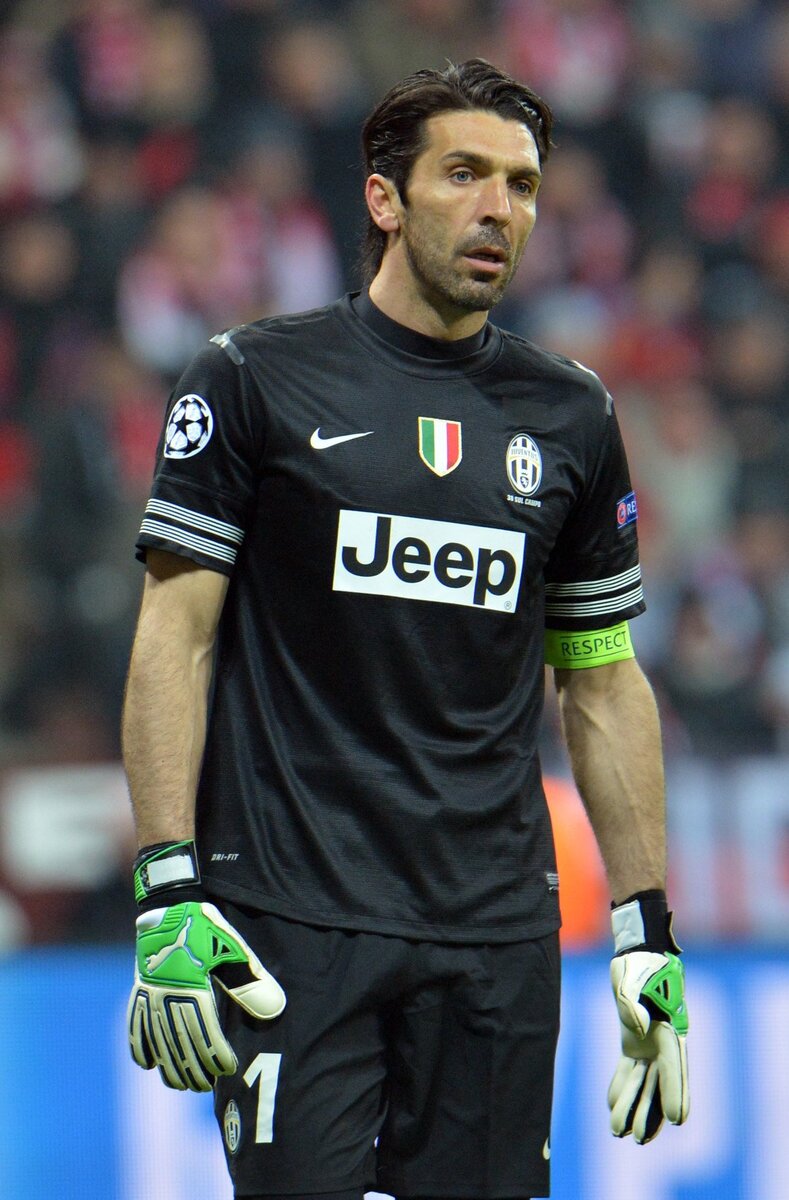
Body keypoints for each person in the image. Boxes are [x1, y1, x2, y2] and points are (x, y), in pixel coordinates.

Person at [123, 58, 689, 1200]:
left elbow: (599, 679)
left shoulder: (571, 416)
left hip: (494, 931)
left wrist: (645, 928)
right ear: (384, 199)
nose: (499, 211)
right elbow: (173, 639)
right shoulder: (253, 379)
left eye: (522, 186)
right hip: (292, 911)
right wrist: (166, 888)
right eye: (465, 175)